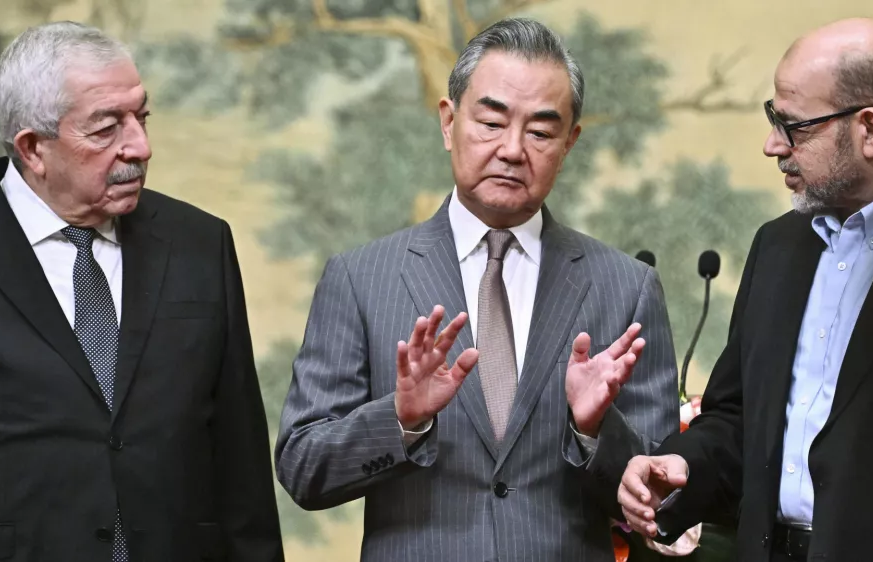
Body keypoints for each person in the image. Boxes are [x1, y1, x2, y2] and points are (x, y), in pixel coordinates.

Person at [275, 17, 679, 562]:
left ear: (569, 143)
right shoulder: (360, 278)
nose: (513, 149)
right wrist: (402, 418)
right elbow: (304, 468)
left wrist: (593, 429)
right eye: (491, 122)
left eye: (540, 132)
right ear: (448, 122)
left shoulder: (626, 287)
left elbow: (663, 492)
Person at [618, 18, 873, 562]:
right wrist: (686, 464)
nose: (772, 145)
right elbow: (739, 417)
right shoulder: (779, 247)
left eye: (794, 126)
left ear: (871, 130)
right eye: (774, 120)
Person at [0, 22, 284, 560]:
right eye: (106, 129)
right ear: (33, 149)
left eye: (141, 117)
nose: (139, 147)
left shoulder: (200, 243)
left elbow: (240, 469)